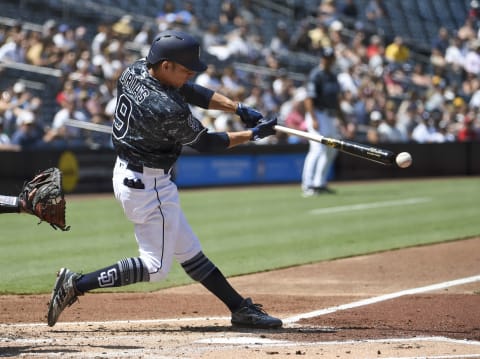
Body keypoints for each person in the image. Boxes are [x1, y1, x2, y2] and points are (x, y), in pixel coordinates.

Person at [47, 30, 281, 329]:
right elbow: (206, 143)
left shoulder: (136, 69)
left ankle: (240, 308)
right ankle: (76, 284)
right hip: (148, 184)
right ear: (166, 65)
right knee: (155, 267)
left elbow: (191, 90)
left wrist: (237, 108)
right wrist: (253, 135)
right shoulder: (165, 108)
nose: (190, 74)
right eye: (185, 69)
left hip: (132, 173)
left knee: (189, 251)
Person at [301, 47, 343, 196]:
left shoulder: (333, 76)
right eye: (325, 57)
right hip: (317, 114)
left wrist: (343, 119)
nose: (327, 60)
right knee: (317, 149)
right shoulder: (316, 75)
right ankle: (308, 185)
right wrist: (313, 118)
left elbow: (337, 101)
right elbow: (308, 99)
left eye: (330, 57)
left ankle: (320, 183)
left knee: (332, 150)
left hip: (330, 116)